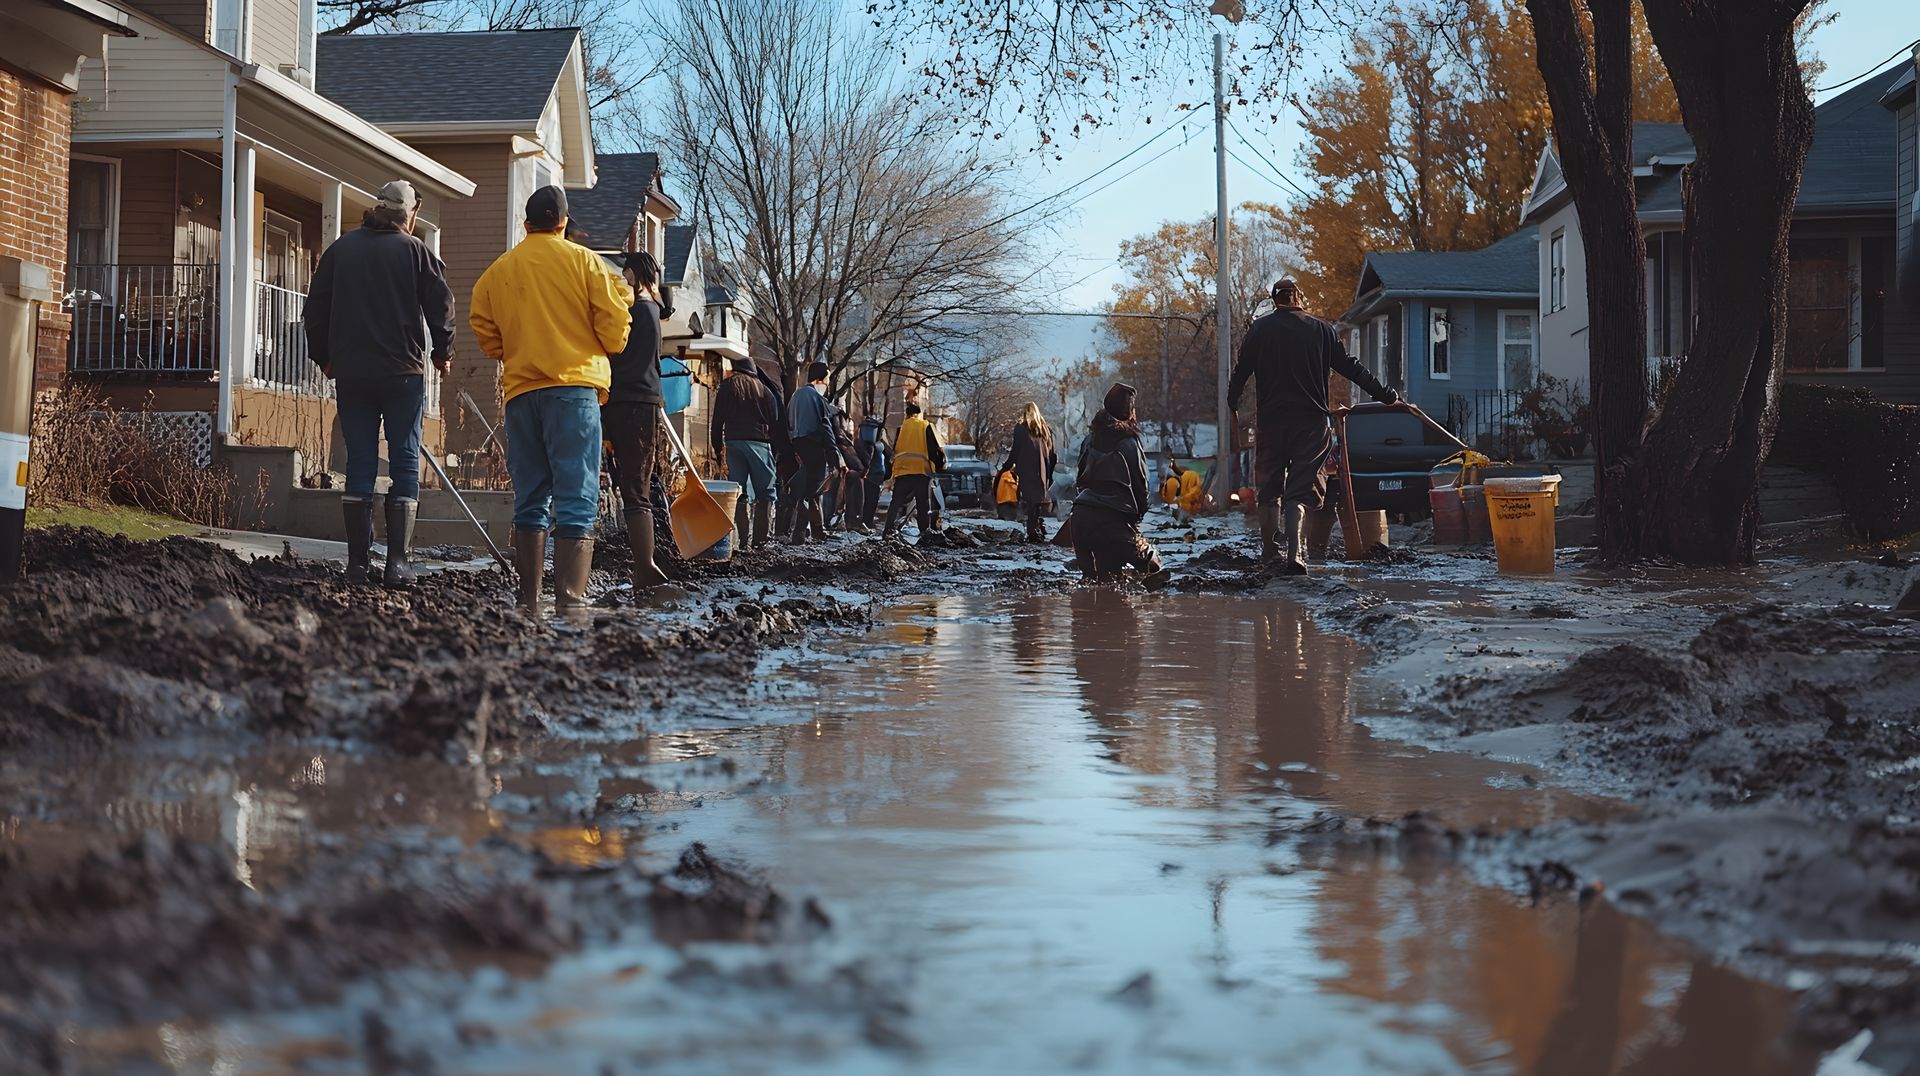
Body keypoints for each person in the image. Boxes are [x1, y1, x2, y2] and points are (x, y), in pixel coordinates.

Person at [470, 185, 632, 609]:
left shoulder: (499, 271)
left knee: (531, 496)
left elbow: (485, 332)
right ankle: (570, 602)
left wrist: (512, 346)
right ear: (563, 221)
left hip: (522, 393)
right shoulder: (585, 263)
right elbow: (616, 331)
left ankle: (529, 598)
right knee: (576, 497)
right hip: (574, 390)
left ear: (527, 223)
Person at [304, 179, 454, 588]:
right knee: (405, 459)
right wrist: (443, 352)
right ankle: (398, 564)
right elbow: (441, 306)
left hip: (352, 373)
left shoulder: (341, 251)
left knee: (360, 461)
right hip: (402, 373)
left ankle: (357, 564)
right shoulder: (416, 253)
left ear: (376, 209)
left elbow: (315, 307)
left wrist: (325, 357)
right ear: (410, 215)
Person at [1228, 277, 1399, 574]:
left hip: (1272, 424)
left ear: (1274, 300)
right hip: (1311, 424)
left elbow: (1242, 371)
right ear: (1298, 298)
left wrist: (1231, 401)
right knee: (1299, 490)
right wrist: (1384, 395)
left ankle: (1270, 554)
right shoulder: (1321, 330)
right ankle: (1295, 555)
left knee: (1269, 490)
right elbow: (1350, 367)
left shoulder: (1260, 329)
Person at [603, 250, 669, 593]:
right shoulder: (652, 311)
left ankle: (646, 566)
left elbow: (617, 354)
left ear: (633, 273)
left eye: (624, 274)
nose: (621, 280)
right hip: (642, 403)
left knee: (633, 488)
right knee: (636, 486)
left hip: (624, 402)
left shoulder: (635, 310)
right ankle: (644, 564)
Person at [1067, 383, 1168, 587]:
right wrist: (1136, 520)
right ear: (1130, 413)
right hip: (1114, 523)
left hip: (1079, 522)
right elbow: (1141, 485)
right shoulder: (1130, 442)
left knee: (1093, 581)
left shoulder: (1089, 440)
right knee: (1153, 565)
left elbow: (1080, 480)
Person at [709, 355, 779, 550]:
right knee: (765, 493)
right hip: (760, 444)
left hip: (733, 443)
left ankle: (742, 541)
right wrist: (775, 449)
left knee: (739, 493)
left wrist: (718, 448)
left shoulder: (727, 386)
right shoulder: (764, 390)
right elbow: (775, 422)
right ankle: (760, 540)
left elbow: (717, 420)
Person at [881, 401, 945, 545]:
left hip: (902, 470)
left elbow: (896, 448)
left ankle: (887, 531)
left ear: (907, 414)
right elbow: (932, 448)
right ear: (919, 413)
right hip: (920, 471)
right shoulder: (925, 425)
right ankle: (924, 533)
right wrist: (939, 465)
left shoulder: (901, 428)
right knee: (923, 504)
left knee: (896, 502)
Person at [786, 362, 835, 544]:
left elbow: (788, 424)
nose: (828, 383)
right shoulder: (816, 397)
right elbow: (825, 427)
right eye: (828, 379)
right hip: (814, 447)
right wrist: (834, 454)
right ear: (819, 379)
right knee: (812, 492)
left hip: (797, 446)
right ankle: (801, 533)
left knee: (810, 491)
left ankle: (816, 530)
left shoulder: (795, 396)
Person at [1002, 402, 1057, 543]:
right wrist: (1050, 474)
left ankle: (1033, 531)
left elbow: (1016, 450)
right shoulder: (1046, 430)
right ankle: (1037, 528)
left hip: (1027, 469)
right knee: (1037, 501)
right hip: (1043, 470)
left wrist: (1006, 467)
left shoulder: (1021, 429)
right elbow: (1052, 454)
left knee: (1030, 502)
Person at [825, 411, 868, 533]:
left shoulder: (844, 441)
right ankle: (851, 521)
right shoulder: (841, 443)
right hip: (846, 475)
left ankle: (851, 521)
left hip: (848, 475)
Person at [857, 415, 890, 529]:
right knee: (870, 501)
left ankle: (867, 521)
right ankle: (867, 522)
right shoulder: (876, 445)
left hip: (874, 477)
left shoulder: (873, 445)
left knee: (870, 501)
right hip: (873, 477)